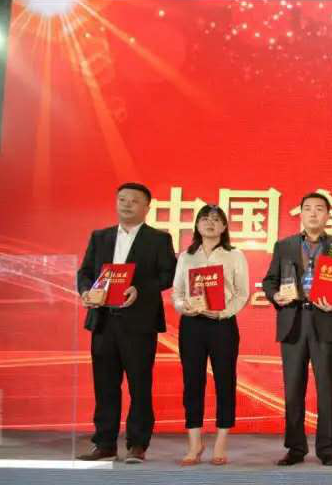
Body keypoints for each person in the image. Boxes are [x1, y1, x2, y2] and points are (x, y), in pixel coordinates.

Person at [76, 182, 177, 464]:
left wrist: (140, 289)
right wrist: (86, 292)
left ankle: (137, 444)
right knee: (105, 385)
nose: (127, 204)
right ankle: (104, 443)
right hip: (103, 321)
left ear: (147, 207)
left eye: (134, 201)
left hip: (139, 323)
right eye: (122, 199)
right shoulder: (100, 237)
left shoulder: (158, 239)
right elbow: (85, 272)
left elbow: (168, 275)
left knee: (139, 386)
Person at [262, 192, 332, 466]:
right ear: (301, 214)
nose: (313, 213)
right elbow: (269, 281)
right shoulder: (284, 246)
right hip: (293, 321)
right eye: (308, 208)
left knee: (327, 388)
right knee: (293, 389)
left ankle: (328, 450)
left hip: (326, 321)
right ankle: (295, 448)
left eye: (319, 209)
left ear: (328, 215)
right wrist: (276, 296)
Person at [171, 204, 250, 466]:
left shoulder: (234, 255)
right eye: (204, 219)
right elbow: (177, 293)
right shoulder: (186, 256)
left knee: (225, 382)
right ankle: (194, 443)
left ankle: (220, 443)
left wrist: (223, 313)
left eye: (216, 219)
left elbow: (242, 293)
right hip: (192, 325)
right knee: (192, 382)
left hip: (221, 325)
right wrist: (183, 307)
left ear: (224, 226)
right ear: (197, 225)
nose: (210, 223)